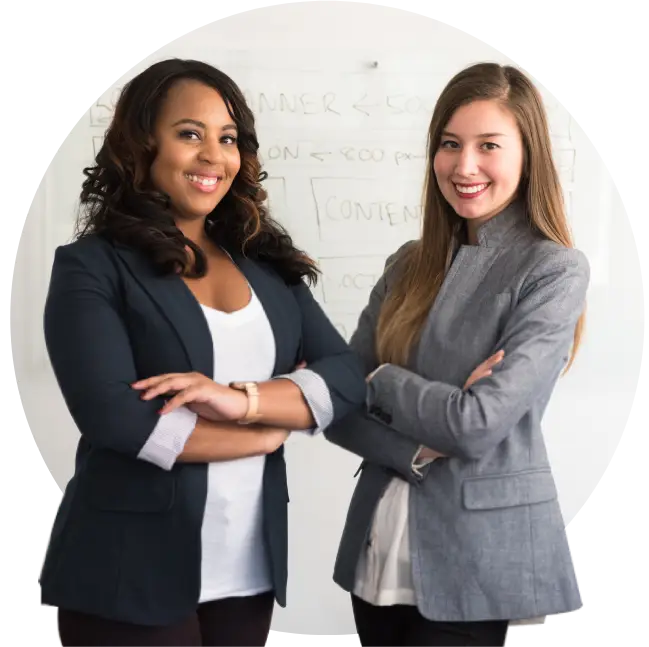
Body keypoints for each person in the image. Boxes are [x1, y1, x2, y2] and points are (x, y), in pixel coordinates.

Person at [39, 58, 366, 647]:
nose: (214, 155)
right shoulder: (92, 265)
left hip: (246, 568)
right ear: (142, 146)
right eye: (190, 134)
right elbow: (116, 418)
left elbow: (345, 379)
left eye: (228, 138)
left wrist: (241, 403)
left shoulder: (266, 265)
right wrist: (264, 434)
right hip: (126, 571)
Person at [325, 62, 588, 647]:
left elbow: (476, 425)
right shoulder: (407, 263)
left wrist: (382, 379)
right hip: (379, 544)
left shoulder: (552, 270)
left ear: (528, 154)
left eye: (488, 145)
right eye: (450, 144)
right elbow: (339, 406)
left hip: (475, 557)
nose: (463, 166)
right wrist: (414, 445)